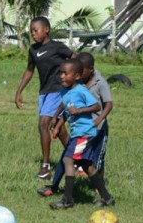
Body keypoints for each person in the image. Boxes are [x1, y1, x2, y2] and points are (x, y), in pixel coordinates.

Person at [39, 52, 113, 197]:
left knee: (95, 160)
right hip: (79, 130)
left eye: (81, 70)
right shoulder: (73, 85)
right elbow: (68, 106)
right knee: (68, 158)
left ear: (88, 70)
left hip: (96, 130)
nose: (63, 76)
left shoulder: (99, 83)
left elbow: (106, 105)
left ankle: (99, 192)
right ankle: (55, 187)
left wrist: (98, 120)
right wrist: (59, 122)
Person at [14, 17, 72, 180]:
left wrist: (75, 78)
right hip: (44, 92)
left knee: (43, 123)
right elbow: (30, 70)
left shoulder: (58, 47)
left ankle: (46, 167)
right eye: (31, 30)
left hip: (58, 90)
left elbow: (75, 58)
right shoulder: (33, 50)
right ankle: (78, 159)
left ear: (46, 29)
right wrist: (19, 91)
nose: (33, 33)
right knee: (59, 129)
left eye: (36, 30)